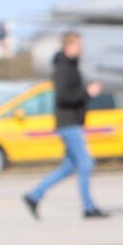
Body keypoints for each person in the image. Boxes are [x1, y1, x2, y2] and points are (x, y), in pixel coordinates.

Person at [23, 32, 108, 220]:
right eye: (79, 45)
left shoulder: (70, 66)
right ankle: (89, 208)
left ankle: (34, 196)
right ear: (69, 47)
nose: (82, 49)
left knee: (69, 167)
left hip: (73, 122)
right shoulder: (63, 68)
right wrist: (88, 93)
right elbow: (63, 97)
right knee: (86, 163)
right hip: (68, 123)